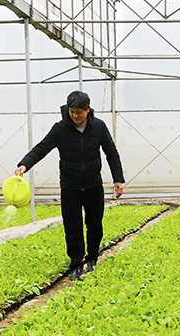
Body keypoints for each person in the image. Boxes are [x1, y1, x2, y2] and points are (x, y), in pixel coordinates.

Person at [16, 91, 125, 280]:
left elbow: (111, 153)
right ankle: (76, 263)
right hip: (70, 187)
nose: (74, 116)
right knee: (72, 227)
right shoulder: (60, 129)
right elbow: (42, 148)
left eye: (79, 113)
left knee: (94, 225)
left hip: (93, 185)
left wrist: (118, 179)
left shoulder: (98, 127)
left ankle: (91, 258)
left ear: (88, 110)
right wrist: (24, 164)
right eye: (72, 112)